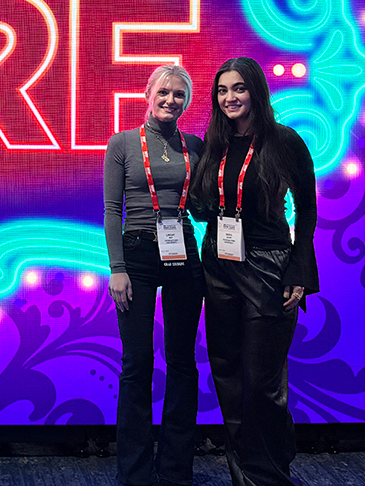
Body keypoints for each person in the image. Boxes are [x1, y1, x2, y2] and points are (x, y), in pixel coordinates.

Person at [190, 57, 319, 486]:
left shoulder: (285, 141)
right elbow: (204, 203)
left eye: (239, 88)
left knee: (263, 381)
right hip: (219, 264)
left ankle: (272, 473)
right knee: (226, 371)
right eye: (223, 90)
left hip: (268, 264)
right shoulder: (214, 143)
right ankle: (243, 475)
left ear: (256, 92)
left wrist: (300, 270)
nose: (230, 97)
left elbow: (307, 209)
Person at [105, 64, 206, 486]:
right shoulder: (123, 144)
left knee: (182, 363)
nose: (170, 101)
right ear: (148, 94)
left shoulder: (196, 145)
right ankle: (135, 471)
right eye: (163, 93)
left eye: (179, 95)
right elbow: (113, 210)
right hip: (138, 255)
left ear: (186, 101)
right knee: (137, 364)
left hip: (183, 249)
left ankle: (176, 468)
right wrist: (117, 268)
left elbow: (201, 206)